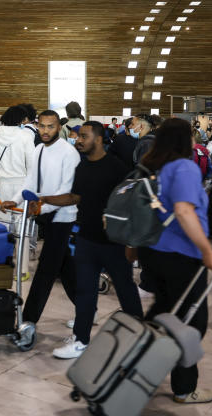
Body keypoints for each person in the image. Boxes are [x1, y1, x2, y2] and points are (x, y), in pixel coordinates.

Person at [135, 118, 212, 404]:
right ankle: (185, 388)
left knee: (162, 315)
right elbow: (185, 212)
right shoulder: (184, 167)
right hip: (181, 256)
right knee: (191, 324)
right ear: (185, 141)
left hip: (154, 253)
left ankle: (134, 368)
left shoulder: (154, 168)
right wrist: (207, 250)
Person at [51, 121, 143, 359]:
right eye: (78, 136)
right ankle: (81, 339)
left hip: (114, 242)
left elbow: (133, 204)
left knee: (125, 289)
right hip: (86, 239)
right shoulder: (81, 168)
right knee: (85, 291)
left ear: (99, 139)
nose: (78, 140)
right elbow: (74, 197)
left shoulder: (117, 168)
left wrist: (131, 241)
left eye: (84, 136)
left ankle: (140, 337)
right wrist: (44, 200)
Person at [4, 111, 79, 349]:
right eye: (42, 126)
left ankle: (28, 321)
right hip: (44, 214)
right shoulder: (38, 151)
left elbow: (67, 192)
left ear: (59, 127)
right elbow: (29, 183)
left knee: (45, 271)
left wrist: (40, 207)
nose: (45, 131)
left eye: (51, 127)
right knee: (65, 268)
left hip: (63, 217)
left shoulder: (69, 154)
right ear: (37, 126)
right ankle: (88, 306)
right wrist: (15, 200)